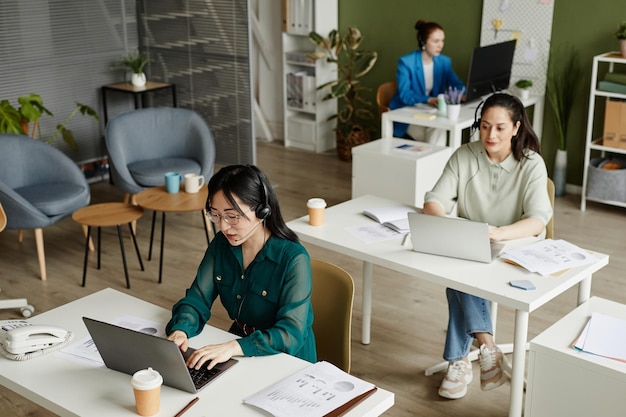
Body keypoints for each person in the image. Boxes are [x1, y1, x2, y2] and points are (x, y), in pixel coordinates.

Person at [422, 93, 553, 399]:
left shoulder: (532, 164)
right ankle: (487, 348)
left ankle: (458, 360)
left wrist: (496, 234)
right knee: (462, 270)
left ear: (517, 127)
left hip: (515, 248)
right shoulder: (465, 155)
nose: (490, 135)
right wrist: (448, 226)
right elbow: (433, 201)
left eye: (500, 128)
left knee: (459, 280)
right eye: (484, 126)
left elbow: (537, 221)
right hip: (471, 246)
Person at [166, 164, 316, 370]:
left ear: (262, 210)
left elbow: (290, 334)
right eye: (215, 215)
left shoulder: (293, 259)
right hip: (239, 348)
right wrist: (181, 329)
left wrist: (233, 347)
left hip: (286, 361)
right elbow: (197, 298)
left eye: (232, 216)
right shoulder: (221, 244)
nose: (224, 226)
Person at [388, 20, 465, 144]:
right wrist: (428, 99)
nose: (440, 45)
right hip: (407, 115)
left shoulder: (444, 62)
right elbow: (405, 95)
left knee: (438, 130)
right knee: (439, 133)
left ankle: (434, 162)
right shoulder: (406, 62)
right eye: (435, 41)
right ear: (423, 42)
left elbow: (457, 84)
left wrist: (459, 94)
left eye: (442, 40)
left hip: (431, 113)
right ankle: (440, 162)